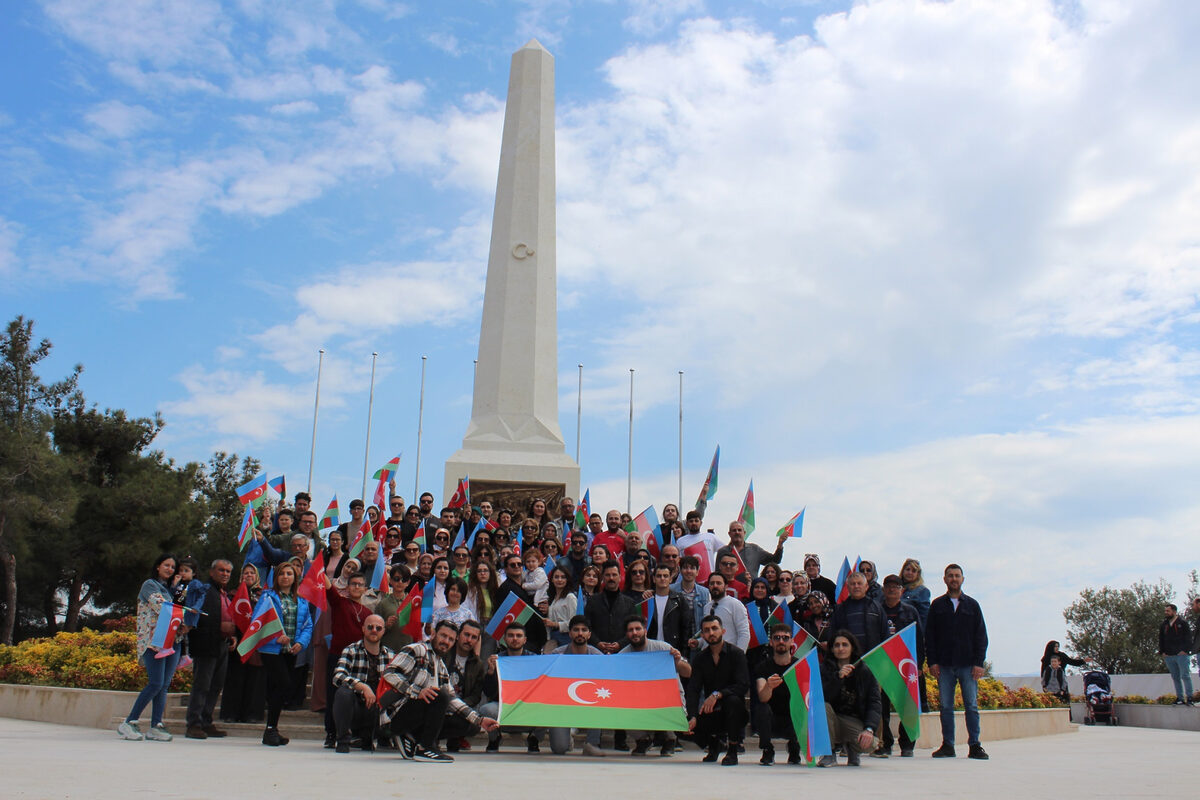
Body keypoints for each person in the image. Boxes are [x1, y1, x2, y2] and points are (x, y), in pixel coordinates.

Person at [379, 620, 500, 762]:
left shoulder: (441, 665)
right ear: (433, 634)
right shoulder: (417, 649)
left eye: (450, 639)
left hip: (415, 717)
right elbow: (389, 672)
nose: (446, 642)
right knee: (438, 695)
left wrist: (480, 720)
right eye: (443, 636)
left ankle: (412, 738)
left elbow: (452, 699)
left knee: (465, 723)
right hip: (395, 715)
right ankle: (426, 748)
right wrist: (417, 692)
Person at [926, 563, 989, 760]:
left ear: (962, 579)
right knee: (946, 706)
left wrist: (979, 663)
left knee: (971, 705)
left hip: (968, 665)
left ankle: (975, 745)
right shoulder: (937, 606)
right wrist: (933, 662)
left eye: (957, 575)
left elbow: (981, 636)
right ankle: (948, 745)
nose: (954, 579)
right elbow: (930, 636)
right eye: (950, 576)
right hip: (944, 664)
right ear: (944, 579)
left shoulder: (972, 605)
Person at [119, 554, 182, 742]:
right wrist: (187, 614)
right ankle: (129, 722)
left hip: (172, 641)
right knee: (155, 683)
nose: (170, 569)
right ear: (157, 566)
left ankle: (156, 725)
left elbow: (175, 606)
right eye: (166, 565)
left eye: (173, 567)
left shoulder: (170, 590)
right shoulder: (150, 585)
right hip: (154, 641)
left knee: (163, 685)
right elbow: (161, 606)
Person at [255, 562, 313, 746]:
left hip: (290, 651)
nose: (285, 577)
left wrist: (301, 643)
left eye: (289, 573)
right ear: (276, 577)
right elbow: (257, 622)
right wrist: (274, 638)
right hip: (271, 650)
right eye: (282, 573)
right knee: (283, 683)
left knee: (277, 688)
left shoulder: (301, 600)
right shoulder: (268, 597)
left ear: (295, 578)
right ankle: (271, 728)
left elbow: (307, 625)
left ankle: (272, 729)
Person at [620, 615, 692, 756]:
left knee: (667, 705)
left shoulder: (663, 648)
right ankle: (643, 740)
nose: (634, 633)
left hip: (668, 699)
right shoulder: (622, 655)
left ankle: (669, 738)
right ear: (626, 634)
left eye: (638, 629)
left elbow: (688, 673)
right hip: (639, 700)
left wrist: (677, 661)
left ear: (645, 630)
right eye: (630, 630)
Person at [320, 570, 375, 747]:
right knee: (333, 695)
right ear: (348, 587)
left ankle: (353, 732)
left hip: (358, 659)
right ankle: (331, 733)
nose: (357, 587)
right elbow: (329, 589)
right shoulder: (339, 603)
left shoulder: (368, 613)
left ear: (365, 589)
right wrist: (320, 570)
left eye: (360, 584)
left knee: (354, 696)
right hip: (337, 656)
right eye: (353, 584)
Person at [686, 614, 750, 765]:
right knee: (682, 724)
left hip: (735, 713)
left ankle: (732, 750)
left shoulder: (737, 654)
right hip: (712, 712)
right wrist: (693, 716)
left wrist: (718, 694)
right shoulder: (700, 659)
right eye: (707, 630)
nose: (711, 633)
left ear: (723, 630)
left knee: (732, 701)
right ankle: (714, 744)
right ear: (702, 635)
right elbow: (693, 689)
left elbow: (743, 685)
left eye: (715, 628)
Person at [184, 559, 235, 740]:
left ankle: (206, 721)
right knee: (202, 685)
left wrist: (231, 635)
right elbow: (196, 616)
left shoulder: (225, 594)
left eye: (228, 571)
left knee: (215, 686)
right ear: (212, 572)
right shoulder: (203, 591)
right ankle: (194, 723)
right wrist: (221, 626)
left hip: (221, 645)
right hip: (206, 645)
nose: (225, 574)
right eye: (221, 570)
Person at [874, 574, 923, 757]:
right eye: (888, 586)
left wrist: (919, 664)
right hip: (884, 666)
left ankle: (907, 743)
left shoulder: (910, 612)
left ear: (902, 590)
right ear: (884, 589)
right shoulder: (877, 610)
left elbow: (919, 638)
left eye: (896, 586)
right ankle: (885, 743)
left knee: (907, 704)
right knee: (882, 708)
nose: (892, 589)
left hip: (905, 665)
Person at [331, 615, 396, 753]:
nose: (374, 630)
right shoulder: (351, 650)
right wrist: (362, 687)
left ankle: (377, 738)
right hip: (356, 706)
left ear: (383, 631)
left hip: (378, 710)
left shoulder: (391, 655)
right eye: (370, 627)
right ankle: (343, 740)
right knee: (343, 693)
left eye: (378, 628)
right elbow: (338, 676)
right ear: (363, 629)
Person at [546, 615, 606, 756]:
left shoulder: (598, 656)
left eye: (584, 630)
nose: (580, 633)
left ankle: (591, 744)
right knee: (559, 749)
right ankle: (567, 739)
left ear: (589, 634)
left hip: (589, 703)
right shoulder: (557, 655)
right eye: (576, 630)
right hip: (562, 705)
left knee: (602, 700)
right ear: (569, 633)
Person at [819, 631, 882, 767]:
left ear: (852, 647)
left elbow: (874, 702)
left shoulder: (865, 671)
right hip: (831, 720)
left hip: (853, 720)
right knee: (822, 707)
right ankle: (828, 754)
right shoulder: (824, 669)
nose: (841, 649)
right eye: (836, 645)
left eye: (845, 645)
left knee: (870, 744)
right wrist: (838, 678)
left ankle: (852, 749)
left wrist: (869, 729)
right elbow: (821, 697)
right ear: (831, 649)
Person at [480, 622, 541, 752]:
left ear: (525, 640)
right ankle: (494, 738)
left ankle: (534, 738)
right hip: (503, 707)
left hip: (527, 707)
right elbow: (489, 693)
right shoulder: (497, 659)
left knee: (548, 710)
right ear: (504, 639)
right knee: (486, 709)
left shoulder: (535, 660)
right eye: (511, 635)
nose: (514, 639)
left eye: (518, 636)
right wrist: (491, 672)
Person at [754, 622, 802, 765]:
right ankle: (767, 750)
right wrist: (769, 686)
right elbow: (763, 697)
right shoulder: (763, 667)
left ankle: (795, 747)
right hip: (771, 720)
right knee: (761, 708)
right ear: (771, 642)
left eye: (785, 638)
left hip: (793, 718)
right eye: (777, 638)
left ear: (792, 642)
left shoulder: (800, 666)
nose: (781, 641)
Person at [828, 572, 889, 654]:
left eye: (859, 583)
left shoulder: (877, 608)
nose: (856, 586)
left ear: (866, 586)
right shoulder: (839, 610)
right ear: (848, 587)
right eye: (853, 584)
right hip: (848, 659)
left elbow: (885, 634)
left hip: (873, 657)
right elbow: (833, 636)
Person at [585, 562, 637, 653]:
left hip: (623, 652)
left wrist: (620, 644)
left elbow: (633, 628)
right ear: (602, 578)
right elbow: (587, 626)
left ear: (620, 577)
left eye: (614, 575)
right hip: (597, 652)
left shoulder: (629, 603)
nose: (611, 578)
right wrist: (597, 643)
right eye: (608, 575)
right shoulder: (592, 601)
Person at [697, 572, 749, 652]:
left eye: (718, 583)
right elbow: (709, 633)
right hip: (709, 656)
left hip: (728, 655)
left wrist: (738, 657)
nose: (715, 586)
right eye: (712, 583)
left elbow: (744, 634)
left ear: (726, 586)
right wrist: (698, 642)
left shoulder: (735, 605)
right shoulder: (707, 607)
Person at [646, 565, 692, 653]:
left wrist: (684, 653)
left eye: (665, 576)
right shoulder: (647, 600)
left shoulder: (679, 600)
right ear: (654, 579)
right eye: (659, 576)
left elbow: (686, 629)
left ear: (670, 579)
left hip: (672, 650)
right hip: (650, 650)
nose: (662, 579)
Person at [715, 520, 783, 579]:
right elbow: (717, 574)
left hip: (750, 591)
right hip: (729, 590)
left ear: (744, 533)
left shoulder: (755, 549)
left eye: (739, 530)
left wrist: (780, 545)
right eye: (734, 530)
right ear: (729, 534)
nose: (737, 532)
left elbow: (775, 560)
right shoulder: (722, 551)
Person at [374, 564, 416, 653]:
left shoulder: (414, 603)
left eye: (404, 579)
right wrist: (386, 625)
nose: (400, 582)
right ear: (390, 581)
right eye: (396, 579)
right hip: (387, 650)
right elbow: (375, 630)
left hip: (408, 650)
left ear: (408, 582)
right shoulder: (382, 604)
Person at [1159, 603, 1194, 705]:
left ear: (1174, 611)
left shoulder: (1182, 622)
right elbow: (1161, 639)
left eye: (1168, 611)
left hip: (1181, 655)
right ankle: (1180, 697)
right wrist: (1162, 652)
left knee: (1185, 676)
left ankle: (1190, 697)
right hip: (1169, 655)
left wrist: (1185, 650)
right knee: (1175, 677)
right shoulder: (1164, 625)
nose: (1166, 613)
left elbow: (1188, 637)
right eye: (1165, 611)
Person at [672, 554, 711, 637]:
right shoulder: (671, 590)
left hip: (697, 639)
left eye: (692, 568)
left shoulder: (705, 593)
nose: (688, 571)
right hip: (677, 638)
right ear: (680, 570)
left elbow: (708, 617)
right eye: (685, 568)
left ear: (697, 572)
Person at [545, 566, 578, 651]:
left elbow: (574, 622)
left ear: (567, 580)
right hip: (554, 636)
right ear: (552, 579)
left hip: (566, 637)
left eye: (563, 577)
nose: (559, 580)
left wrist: (555, 624)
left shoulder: (570, 597)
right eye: (556, 577)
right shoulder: (553, 598)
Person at [900, 558, 931, 628]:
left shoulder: (922, 591)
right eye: (907, 569)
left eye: (913, 571)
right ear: (903, 571)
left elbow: (924, 617)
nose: (910, 573)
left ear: (918, 574)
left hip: (911, 630)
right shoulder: (895, 588)